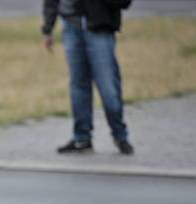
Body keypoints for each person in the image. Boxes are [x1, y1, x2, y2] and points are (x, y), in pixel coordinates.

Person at [42, 0, 134, 154]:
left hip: (98, 26)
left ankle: (120, 135)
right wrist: (48, 27)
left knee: (108, 86)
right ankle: (82, 138)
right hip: (70, 24)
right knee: (78, 84)